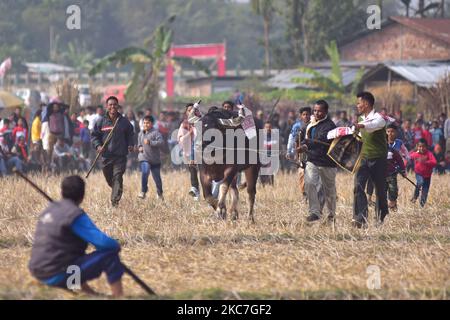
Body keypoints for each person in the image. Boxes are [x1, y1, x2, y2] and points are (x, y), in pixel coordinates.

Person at [28, 175, 124, 297]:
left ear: (62, 192)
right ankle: (119, 296)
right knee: (110, 255)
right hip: (57, 274)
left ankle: (84, 291)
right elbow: (104, 243)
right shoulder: (75, 215)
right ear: (82, 195)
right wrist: (116, 245)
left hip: (39, 271)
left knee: (74, 251)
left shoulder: (49, 210)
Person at [353, 92, 388, 228]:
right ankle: (361, 218)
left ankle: (381, 217)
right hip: (364, 158)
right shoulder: (361, 118)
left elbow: (373, 126)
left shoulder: (379, 118)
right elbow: (361, 137)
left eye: (359, 103)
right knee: (358, 187)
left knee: (379, 190)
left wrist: (360, 126)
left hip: (378, 158)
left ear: (366, 104)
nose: (357, 106)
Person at [91, 96, 134, 207]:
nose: (112, 107)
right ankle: (117, 188)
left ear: (118, 106)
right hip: (106, 157)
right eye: (110, 104)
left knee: (117, 176)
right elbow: (94, 136)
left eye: (115, 104)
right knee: (110, 179)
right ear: (107, 106)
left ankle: (114, 202)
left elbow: (130, 134)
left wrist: (130, 145)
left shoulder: (124, 122)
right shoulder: (100, 121)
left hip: (120, 156)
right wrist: (98, 146)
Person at [298, 100, 337, 223]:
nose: (316, 113)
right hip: (312, 160)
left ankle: (331, 215)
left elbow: (320, 139)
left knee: (329, 190)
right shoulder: (311, 124)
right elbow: (306, 138)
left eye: (319, 111)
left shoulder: (329, 126)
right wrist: (302, 145)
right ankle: (314, 212)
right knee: (309, 183)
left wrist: (305, 146)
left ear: (325, 111)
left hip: (327, 162)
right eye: (315, 110)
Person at [137, 116, 164, 200]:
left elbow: (161, 143)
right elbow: (139, 144)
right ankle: (143, 191)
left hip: (155, 160)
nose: (146, 124)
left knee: (157, 179)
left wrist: (150, 142)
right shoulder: (141, 133)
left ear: (152, 124)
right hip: (144, 157)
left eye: (147, 123)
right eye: (144, 123)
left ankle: (160, 193)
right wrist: (139, 147)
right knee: (145, 172)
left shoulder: (156, 133)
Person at [409, 139, 437, 207]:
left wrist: (425, 162)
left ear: (426, 147)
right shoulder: (415, 154)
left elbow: (434, 162)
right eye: (420, 146)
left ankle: (422, 206)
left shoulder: (429, 154)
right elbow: (408, 157)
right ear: (417, 147)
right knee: (420, 182)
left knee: (425, 191)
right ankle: (415, 196)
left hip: (427, 176)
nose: (421, 148)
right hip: (419, 173)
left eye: (423, 146)